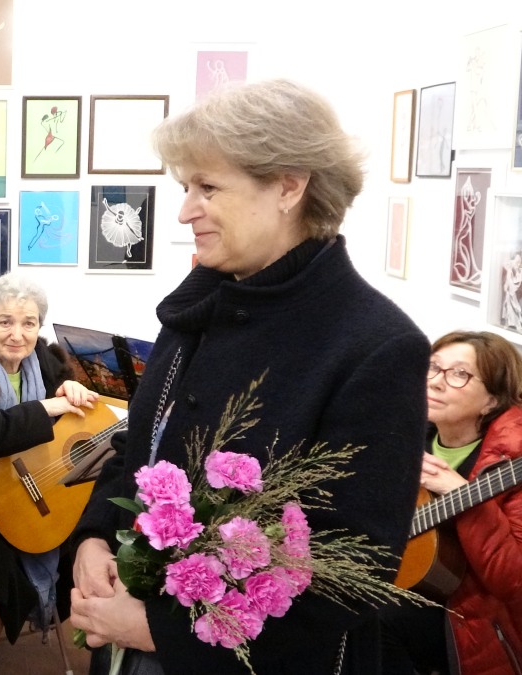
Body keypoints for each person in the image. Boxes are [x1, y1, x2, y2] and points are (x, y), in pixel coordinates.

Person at [67, 78, 430, 674]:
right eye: (186, 187)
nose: (185, 211)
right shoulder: (199, 309)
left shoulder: (374, 346)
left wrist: (163, 633)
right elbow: (141, 448)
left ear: (289, 185)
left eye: (208, 187)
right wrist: (95, 536)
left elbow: (354, 570)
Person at [0, 272, 98, 673]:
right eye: (5, 322)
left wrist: (72, 391)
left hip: (35, 491)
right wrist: (47, 409)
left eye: (29, 323)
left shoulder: (49, 363)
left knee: (90, 536)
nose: (18, 334)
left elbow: (77, 426)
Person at [380, 330, 522, 675]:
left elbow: (514, 578)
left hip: (478, 619)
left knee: (376, 619)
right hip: (411, 587)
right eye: (433, 367)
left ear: (491, 401)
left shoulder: (511, 463)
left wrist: (460, 493)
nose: (436, 382)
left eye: (459, 374)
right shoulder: (410, 433)